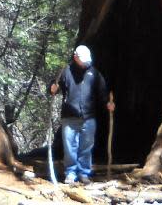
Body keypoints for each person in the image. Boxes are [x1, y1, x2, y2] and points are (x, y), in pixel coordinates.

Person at [49, 45, 115, 185]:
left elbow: (102, 93)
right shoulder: (66, 71)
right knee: (70, 147)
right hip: (69, 116)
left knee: (86, 147)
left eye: (87, 60)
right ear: (75, 57)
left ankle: (84, 173)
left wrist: (108, 104)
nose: (86, 63)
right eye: (83, 60)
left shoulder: (94, 73)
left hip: (89, 117)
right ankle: (70, 174)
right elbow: (54, 86)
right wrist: (52, 88)